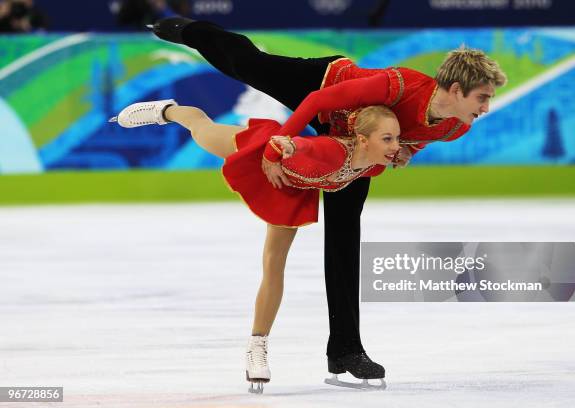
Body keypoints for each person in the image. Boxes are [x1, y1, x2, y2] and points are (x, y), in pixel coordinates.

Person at [148, 17, 508, 389]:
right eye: (482, 97)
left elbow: (413, 140)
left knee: (345, 238)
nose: (485, 108)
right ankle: (190, 31)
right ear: (455, 88)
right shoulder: (398, 84)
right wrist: (277, 145)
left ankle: (346, 349)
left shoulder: (453, 127)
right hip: (324, 88)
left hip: (355, 148)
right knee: (247, 64)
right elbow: (317, 101)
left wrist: (404, 152)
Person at [111, 100, 401, 392]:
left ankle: (256, 346)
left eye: (397, 138)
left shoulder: (372, 167)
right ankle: (167, 111)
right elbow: (285, 144)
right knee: (202, 129)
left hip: (290, 188)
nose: (396, 145)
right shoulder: (333, 151)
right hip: (265, 156)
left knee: (274, 264)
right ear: (363, 140)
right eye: (388, 139)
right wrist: (282, 151)